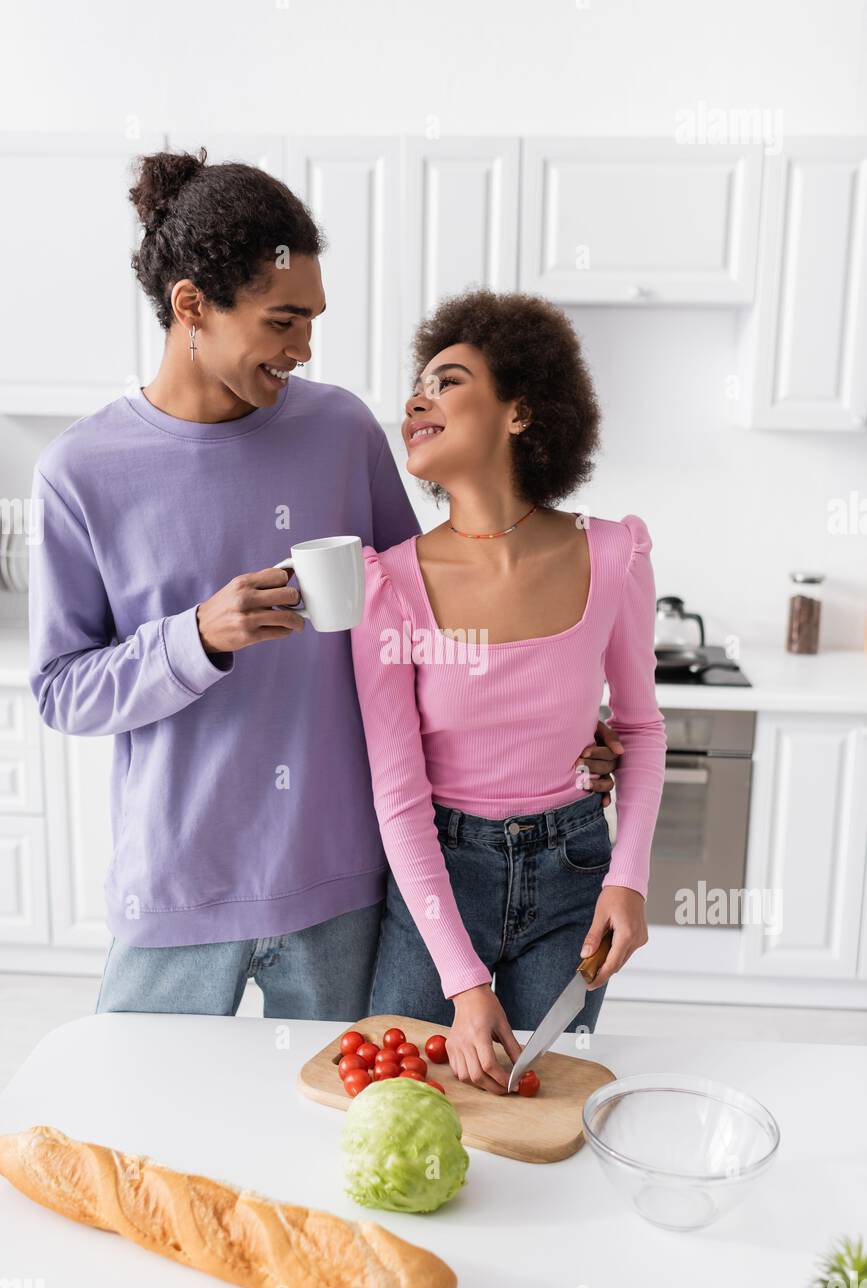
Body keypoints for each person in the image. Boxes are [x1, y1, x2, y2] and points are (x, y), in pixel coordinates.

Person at [27, 148, 622, 1020]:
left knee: (328, 1138)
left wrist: (547, 724)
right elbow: (61, 690)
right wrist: (195, 637)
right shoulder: (81, 472)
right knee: (142, 1134)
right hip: (179, 884)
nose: (304, 350)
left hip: (342, 882)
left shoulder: (340, 429)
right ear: (191, 306)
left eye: (312, 321)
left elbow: (425, 620)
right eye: (282, 322)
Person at [350, 289, 667, 1093]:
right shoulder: (385, 584)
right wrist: (463, 982)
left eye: (447, 381)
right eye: (416, 384)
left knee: (533, 1107)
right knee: (396, 1099)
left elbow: (641, 729)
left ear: (520, 412)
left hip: (573, 874)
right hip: (439, 880)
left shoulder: (615, 554)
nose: (417, 398)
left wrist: (626, 879)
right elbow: (397, 793)